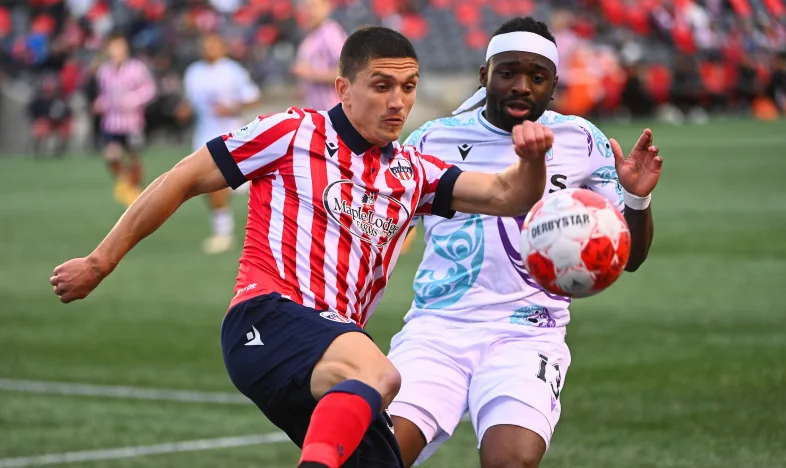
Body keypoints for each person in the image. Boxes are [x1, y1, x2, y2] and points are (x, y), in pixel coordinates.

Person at [50, 26, 554, 468]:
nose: (398, 101)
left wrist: (532, 158)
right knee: (379, 373)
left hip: (330, 350)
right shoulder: (292, 133)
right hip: (266, 317)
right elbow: (182, 178)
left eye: (408, 87)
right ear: (343, 89)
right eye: (381, 86)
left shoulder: (413, 172)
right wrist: (100, 261)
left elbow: (508, 195)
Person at [388, 17, 664, 468]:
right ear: (484, 76)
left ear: (554, 85)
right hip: (437, 329)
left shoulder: (581, 140)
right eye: (508, 73)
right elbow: (386, 231)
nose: (521, 86)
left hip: (529, 332)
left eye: (537, 77)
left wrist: (636, 198)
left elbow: (630, 257)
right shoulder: (431, 140)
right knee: (380, 455)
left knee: (511, 461)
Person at [183, 33, 261, 254]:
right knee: (208, 184)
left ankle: (256, 229)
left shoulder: (233, 70)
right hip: (204, 134)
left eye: (213, 45)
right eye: (205, 45)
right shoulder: (193, 72)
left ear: (222, 47)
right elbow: (191, 102)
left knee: (245, 185)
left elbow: (253, 96)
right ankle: (223, 231)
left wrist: (232, 108)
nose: (209, 49)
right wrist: (184, 110)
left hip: (232, 134)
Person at [93, 32, 157, 207]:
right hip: (111, 122)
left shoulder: (137, 68)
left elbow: (150, 89)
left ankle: (136, 191)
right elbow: (104, 94)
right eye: (114, 47)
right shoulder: (104, 71)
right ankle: (127, 185)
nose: (117, 50)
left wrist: (134, 100)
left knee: (133, 159)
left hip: (132, 122)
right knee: (111, 156)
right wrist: (100, 103)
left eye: (120, 46)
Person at [293, 0, 347, 111]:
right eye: (305, 7)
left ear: (326, 7)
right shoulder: (310, 35)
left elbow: (347, 71)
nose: (308, 11)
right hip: (318, 112)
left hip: (333, 111)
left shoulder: (330, 32)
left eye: (312, 7)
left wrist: (310, 74)